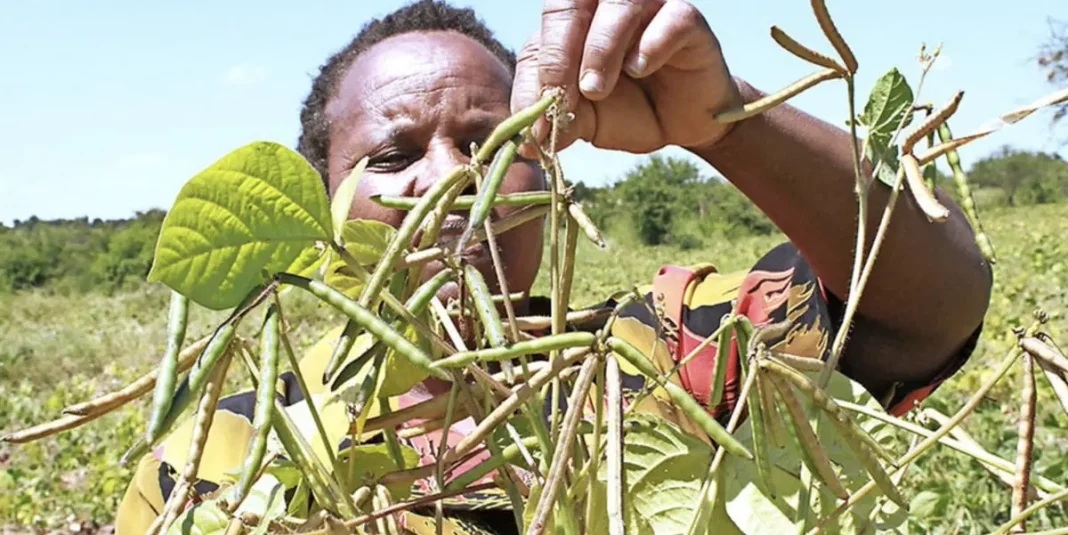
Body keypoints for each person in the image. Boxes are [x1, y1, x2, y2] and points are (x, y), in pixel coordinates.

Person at [116, 1, 993, 533]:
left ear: (551, 172)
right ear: (320, 205)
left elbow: (926, 310)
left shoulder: (662, 351)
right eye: (392, 155)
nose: (453, 177)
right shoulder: (234, 449)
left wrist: (726, 124)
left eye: (492, 141)